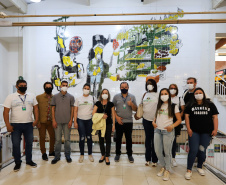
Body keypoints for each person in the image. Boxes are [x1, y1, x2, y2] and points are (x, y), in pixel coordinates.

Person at [3, 79, 39, 172]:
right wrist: (8, 125)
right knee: (15, 144)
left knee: (29, 143)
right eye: (21, 85)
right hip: (15, 124)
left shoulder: (31, 96)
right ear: (17, 86)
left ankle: (29, 160)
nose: (23, 87)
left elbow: (36, 108)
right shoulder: (11, 97)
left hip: (28, 124)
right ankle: (17, 163)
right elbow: (6, 111)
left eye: (25, 85)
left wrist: (36, 120)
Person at [184, 88, 218, 180]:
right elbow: (186, 117)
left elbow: (215, 117)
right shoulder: (190, 105)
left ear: (203, 94)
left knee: (202, 150)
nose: (198, 94)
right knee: (193, 150)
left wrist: (215, 129)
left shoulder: (210, 104)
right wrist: (188, 128)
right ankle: (189, 169)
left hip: (206, 132)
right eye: (196, 93)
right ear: (194, 95)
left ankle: (199, 167)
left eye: (200, 93)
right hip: (194, 131)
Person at [153, 88, 181, 181]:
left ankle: (167, 170)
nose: (163, 95)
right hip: (158, 130)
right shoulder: (159, 105)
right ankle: (164, 166)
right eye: (162, 94)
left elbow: (179, 120)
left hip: (168, 132)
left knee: (167, 152)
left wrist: (172, 126)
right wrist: (153, 122)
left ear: (168, 95)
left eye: (165, 93)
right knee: (157, 150)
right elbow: (156, 116)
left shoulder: (173, 106)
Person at [134, 79, 158, 167]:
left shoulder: (158, 95)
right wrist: (137, 114)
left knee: (155, 140)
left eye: (151, 84)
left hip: (155, 121)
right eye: (148, 84)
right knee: (148, 139)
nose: (149, 85)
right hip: (146, 120)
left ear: (154, 85)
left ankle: (155, 160)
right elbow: (141, 106)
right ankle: (147, 159)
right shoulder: (145, 94)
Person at [113, 82, 137, 163]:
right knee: (118, 139)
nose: (124, 88)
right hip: (118, 121)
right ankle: (117, 154)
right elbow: (112, 109)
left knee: (129, 139)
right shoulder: (116, 97)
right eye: (122, 87)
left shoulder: (132, 97)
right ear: (120, 88)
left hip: (129, 121)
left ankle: (130, 155)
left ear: (128, 88)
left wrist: (131, 104)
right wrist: (116, 118)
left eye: (125, 87)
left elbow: (136, 109)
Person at [51, 81, 74, 164]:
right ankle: (57, 156)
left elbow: (72, 110)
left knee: (67, 140)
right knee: (57, 140)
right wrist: (53, 120)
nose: (64, 86)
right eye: (63, 85)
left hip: (67, 122)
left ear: (68, 87)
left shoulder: (71, 97)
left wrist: (71, 120)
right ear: (60, 86)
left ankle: (67, 155)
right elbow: (53, 109)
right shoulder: (55, 97)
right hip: (57, 122)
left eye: (66, 85)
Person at [74, 83, 97, 163]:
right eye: (85, 88)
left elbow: (97, 108)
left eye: (88, 88)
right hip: (80, 120)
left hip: (89, 120)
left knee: (89, 137)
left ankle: (90, 154)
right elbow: (75, 110)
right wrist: (75, 121)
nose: (86, 90)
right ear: (82, 89)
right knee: (82, 137)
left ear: (89, 90)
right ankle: (82, 154)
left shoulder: (93, 98)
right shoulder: (78, 99)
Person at [92, 89, 115, 165]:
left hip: (108, 124)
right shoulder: (98, 103)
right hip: (100, 124)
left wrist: (114, 125)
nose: (105, 94)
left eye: (106, 93)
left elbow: (113, 115)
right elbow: (93, 113)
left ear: (108, 95)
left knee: (108, 139)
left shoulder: (111, 104)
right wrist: (102, 116)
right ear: (101, 94)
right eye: (103, 93)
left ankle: (107, 156)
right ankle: (102, 155)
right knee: (101, 140)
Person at [36, 82, 55, 161]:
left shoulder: (54, 97)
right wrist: (37, 121)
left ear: (52, 88)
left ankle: (51, 151)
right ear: (44, 88)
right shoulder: (39, 97)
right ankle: (43, 153)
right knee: (42, 137)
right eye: (46, 87)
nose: (48, 88)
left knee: (53, 137)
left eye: (50, 87)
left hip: (51, 121)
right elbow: (36, 110)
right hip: (42, 121)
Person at [169, 84, 185, 167]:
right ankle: (166, 158)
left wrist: (179, 115)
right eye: (171, 88)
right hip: (166, 120)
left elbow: (183, 109)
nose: (173, 89)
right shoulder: (166, 98)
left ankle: (173, 158)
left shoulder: (179, 99)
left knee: (173, 140)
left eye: (174, 88)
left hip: (176, 121)